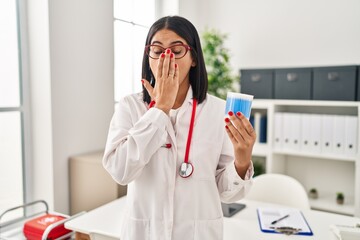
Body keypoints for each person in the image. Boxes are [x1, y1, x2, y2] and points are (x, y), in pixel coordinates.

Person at [103, 15, 256, 240]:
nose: (166, 58)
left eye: (176, 51)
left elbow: (227, 193)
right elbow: (120, 171)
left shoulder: (217, 111)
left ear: (193, 58)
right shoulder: (130, 106)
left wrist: (242, 162)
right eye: (157, 50)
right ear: (149, 57)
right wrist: (160, 109)